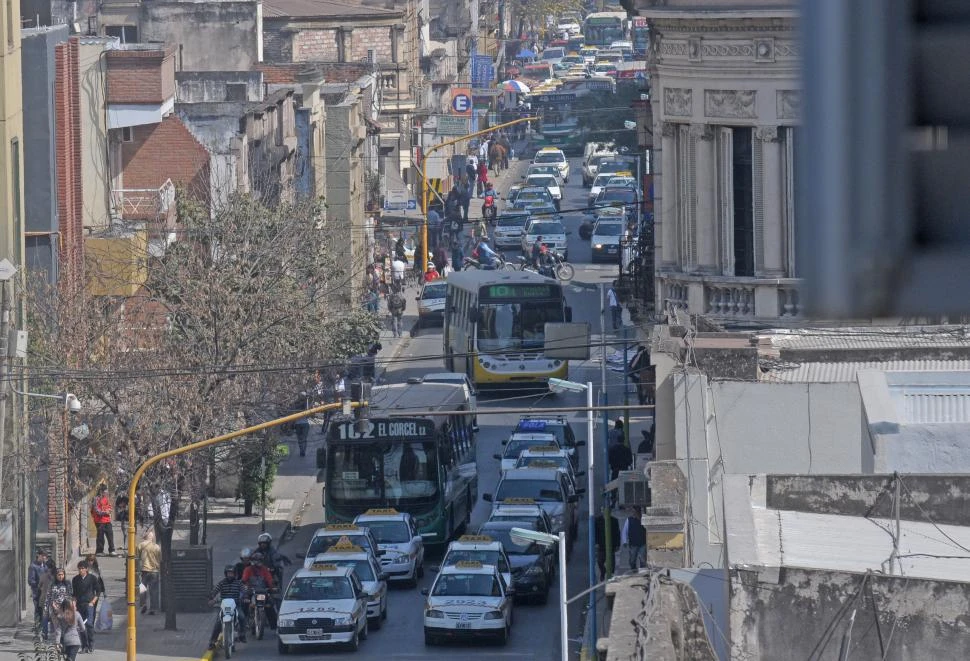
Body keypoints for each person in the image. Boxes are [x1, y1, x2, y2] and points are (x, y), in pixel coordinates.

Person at [208, 564, 247, 649]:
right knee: (218, 623)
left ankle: (242, 635)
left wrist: (245, 597)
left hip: (236, 606)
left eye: (232, 573)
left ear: (235, 574)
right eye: (228, 573)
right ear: (226, 574)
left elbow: (244, 591)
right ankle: (212, 642)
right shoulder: (222, 583)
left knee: (242, 617)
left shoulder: (238, 583)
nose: (230, 575)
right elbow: (215, 591)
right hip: (224, 607)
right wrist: (211, 597)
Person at [242, 552, 278, 629]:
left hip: (262, 592)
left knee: (270, 605)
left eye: (260, 560)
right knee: (244, 603)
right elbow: (244, 580)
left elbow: (269, 579)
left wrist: (272, 587)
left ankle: (274, 626)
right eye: (256, 560)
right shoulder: (248, 570)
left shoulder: (264, 569)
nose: (258, 562)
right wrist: (245, 586)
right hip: (251, 591)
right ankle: (243, 623)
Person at [72, 561, 101, 653]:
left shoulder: (92, 578)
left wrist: (93, 601)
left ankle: (91, 645)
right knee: (81, 626)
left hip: (89, 604)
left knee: (89, 624)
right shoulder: (75, 579)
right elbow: (74, 594)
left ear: (86, 569)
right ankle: (84, 646)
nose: (81, 570)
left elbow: (98, 591)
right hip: (79, 605)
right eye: (79, 568)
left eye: (82, 568)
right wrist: (74, 604)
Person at [137, 529, 161, 615]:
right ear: (152, 537)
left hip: (144, 570)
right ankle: (153, 608)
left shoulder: (141, 545)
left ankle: (143, 604)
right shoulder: (157, 547)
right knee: (154, 590)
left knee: (143, 589)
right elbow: (160, 559)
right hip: (154, 571)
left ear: (146, 536)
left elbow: (138, 556)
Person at [594, 512, 621, 581]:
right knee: (600, 561)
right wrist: (596, 543)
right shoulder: (597, 520)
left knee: (612, 564)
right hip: (601, 545)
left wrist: (618, 544)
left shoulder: (614, 520)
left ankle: (610, 577)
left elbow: (617, 533)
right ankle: (603, 572)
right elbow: (595, 532)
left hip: (611, 545)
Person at [91, 484, 116, 556]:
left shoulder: (106, 498)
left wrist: (110, 510)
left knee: (110, 535)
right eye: (105, 491)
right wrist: (105, 512)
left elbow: (110, 506)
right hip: (99, 521)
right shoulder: (96, 499)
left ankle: (112, 550)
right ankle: (99, 551)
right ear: (101, 491)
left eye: (107, 491)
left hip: (107, 520)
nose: (106, 492)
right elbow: (96, 510)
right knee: (100, 536)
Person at [28, 549, 50, 627]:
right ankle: (37, 627)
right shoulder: (33, 566)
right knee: (38, 609)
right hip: (37, 593)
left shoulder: (45, 566)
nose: (44, 557)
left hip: (45, 592)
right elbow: (31, 581)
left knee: (44, 610)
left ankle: (42, 627)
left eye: (45, 556)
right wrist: (39, 586)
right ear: (38, 555)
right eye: (43, 556)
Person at [621, 506, 647, 571]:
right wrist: (624, 541)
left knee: (643, 560)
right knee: (632, 560)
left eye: (635, 511)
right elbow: (625, 531)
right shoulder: (629, 520)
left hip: (643, 543)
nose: (634, 513)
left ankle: (642, 572)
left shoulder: (644, 519)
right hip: (633, 543)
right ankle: (633, 570)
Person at [293, 391, 310, 457]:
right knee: (303, 439)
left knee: (300, 439)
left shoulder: (296, 404)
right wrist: (307, 400)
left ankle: (302, 451)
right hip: (304, 423)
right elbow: (307, 411)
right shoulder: (304, 403)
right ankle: (302, 451)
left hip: (299, 424)